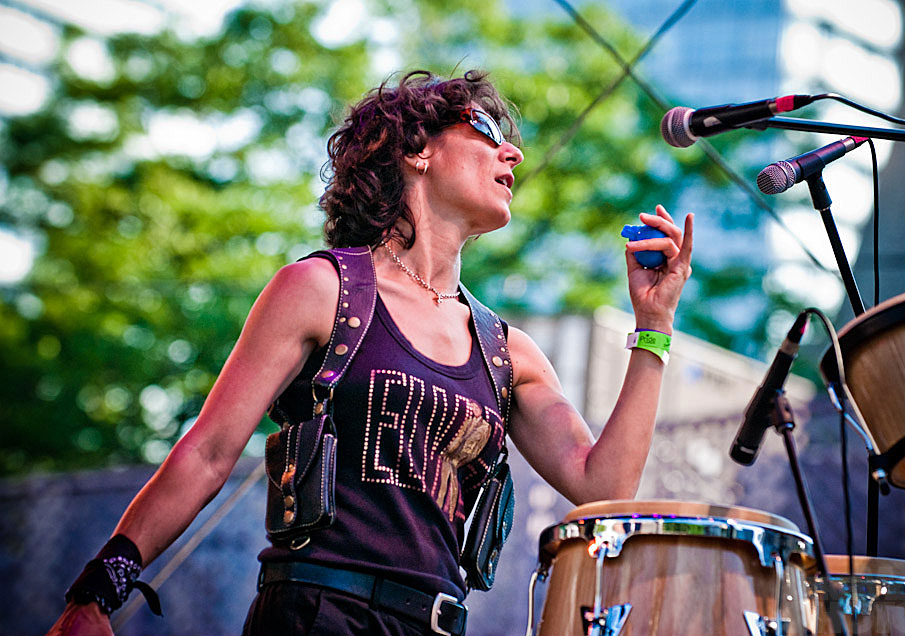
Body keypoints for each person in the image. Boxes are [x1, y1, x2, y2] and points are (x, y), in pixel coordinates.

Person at [48, 69, 693, 636]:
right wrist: (97, 592)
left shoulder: (507, 352)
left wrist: (654, 325)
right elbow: (209, 452)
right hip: (316, 614)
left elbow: (605, 485)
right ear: (416, 149)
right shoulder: (320, 290)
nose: (514, 153)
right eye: (487, 130)